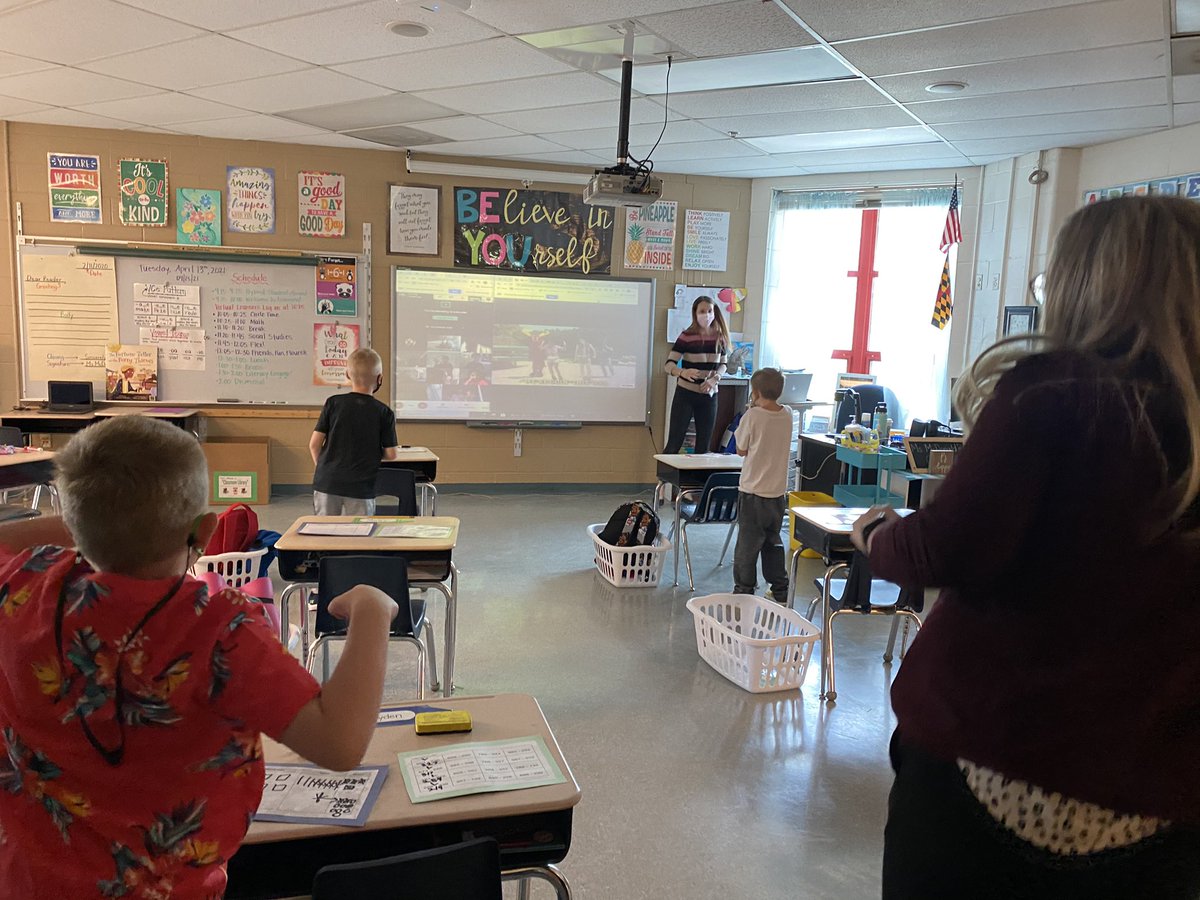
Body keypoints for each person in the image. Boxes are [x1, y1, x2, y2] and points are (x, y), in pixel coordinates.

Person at [850, 196, 1200, 899]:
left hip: (996, 761)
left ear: (1085, 283)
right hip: (1161, 794)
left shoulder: (1055, 395)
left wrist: (876, 536)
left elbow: (944, 550)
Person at [0, 416, 399, 897]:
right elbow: (339, 743)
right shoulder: (216, 629)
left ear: (75, 516)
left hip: (27, 880)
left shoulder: (22, 584)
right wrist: (373, 611)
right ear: (205, 532)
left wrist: (101, 519)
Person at [310, 347, 400, 515]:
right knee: (361, 535)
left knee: (323, 532)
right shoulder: (384, 412)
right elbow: (392, 455)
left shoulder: (333, 403)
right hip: (361, 486)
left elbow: (314, 445)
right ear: (380, 378)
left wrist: (324, 468)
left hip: (327, 481)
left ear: (347, 375)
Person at [733, 368, 792, 601]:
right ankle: (780, 587)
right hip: (777, 492)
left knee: (747, 544)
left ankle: (744, 589)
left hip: (752, 491)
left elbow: (741, 449)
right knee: (773, 541)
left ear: (755, 392)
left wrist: (750, 412)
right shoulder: (787, 413)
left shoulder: (752, 416)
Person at [664, 296, 729, 453]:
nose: (706, 315)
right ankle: (664, 478)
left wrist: (716, 378)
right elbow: (668, 365)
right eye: (702, 311)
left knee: (704, 444)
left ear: (715, 313)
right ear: (695, 313)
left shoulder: (720, 337)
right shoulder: (686, 336)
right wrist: (682, 372)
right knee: (675, 440)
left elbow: (724, 365)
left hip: (709, 394)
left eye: (709, 311)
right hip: (686, 393)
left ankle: (698, 478)